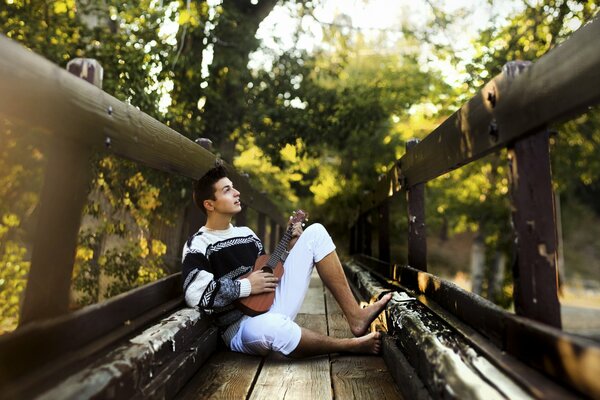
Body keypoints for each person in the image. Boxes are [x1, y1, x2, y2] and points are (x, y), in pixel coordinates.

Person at [181, 165, 392, 358]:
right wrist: (245, 286)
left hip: (271, 304)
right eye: (227, 190)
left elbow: (268, 274)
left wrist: (289, 248)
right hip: (240, 327)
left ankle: (356, 316)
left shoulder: (247, 235)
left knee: (316, 232)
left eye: (234, 187)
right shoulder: (199, 244)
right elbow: (196, 293)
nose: (237, 193)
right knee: (274, 328)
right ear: (209, 204)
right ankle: (348, 345)